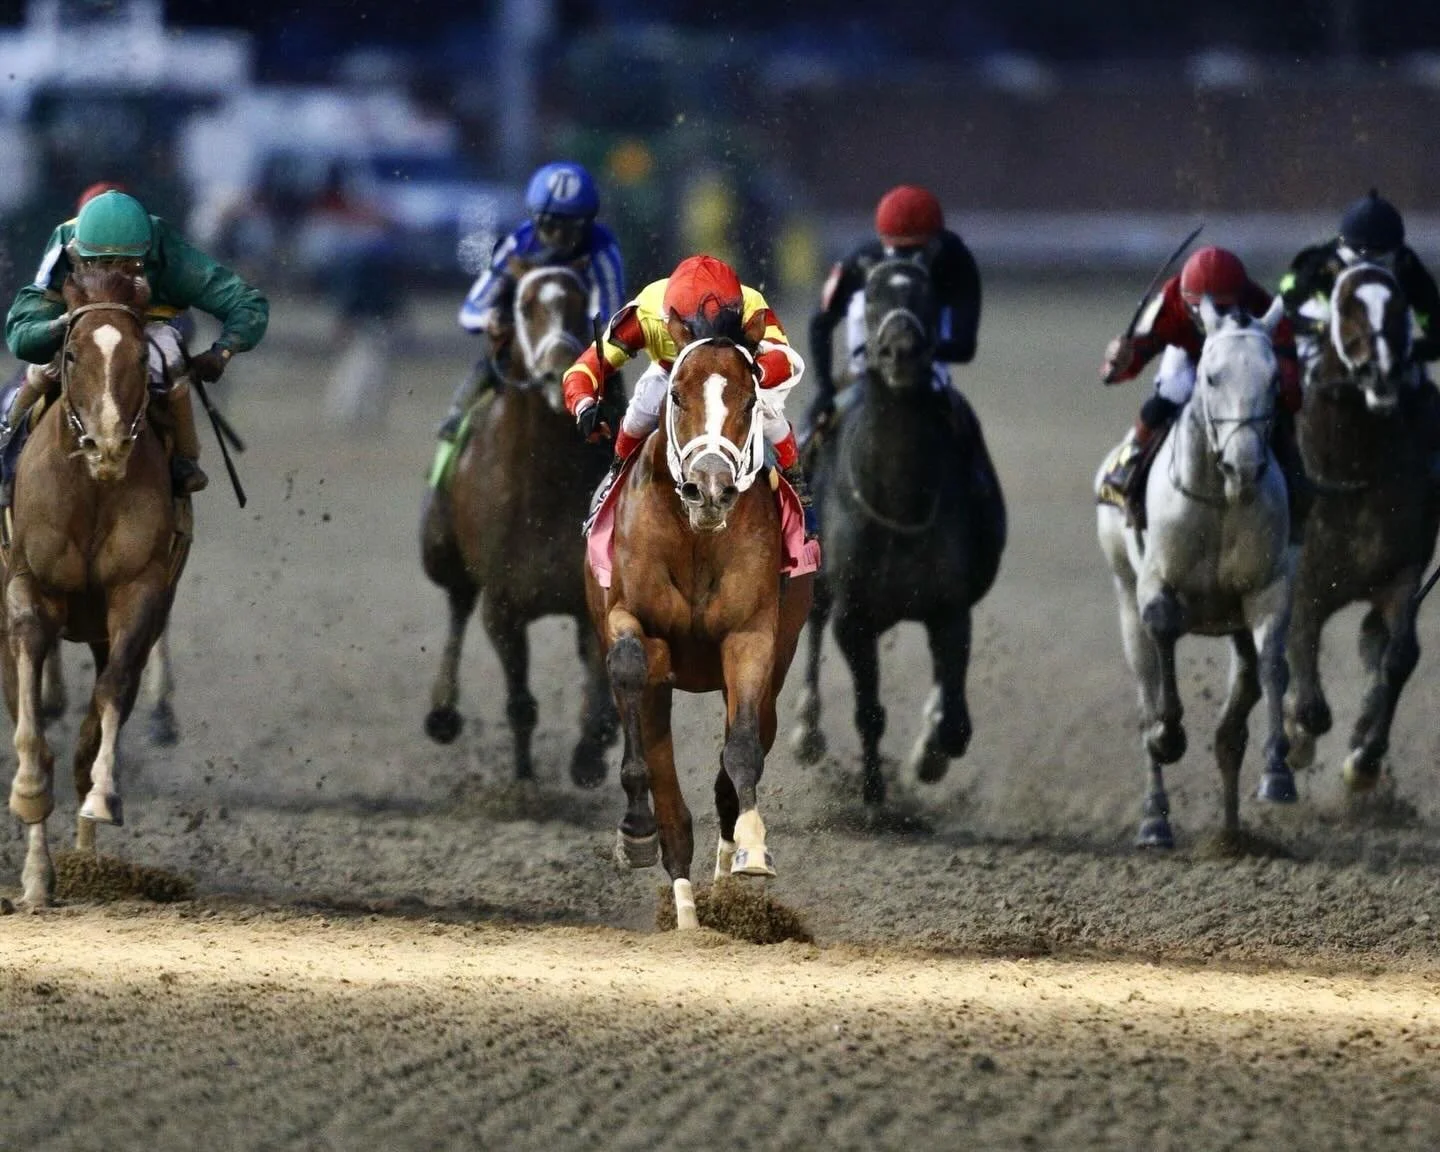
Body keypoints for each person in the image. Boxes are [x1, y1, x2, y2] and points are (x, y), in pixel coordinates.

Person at [3, 189, 267, 498]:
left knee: (167, 357)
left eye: (126, 264)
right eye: (100, 263)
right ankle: (6, 438)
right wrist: (57, 326)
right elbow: (21, 331)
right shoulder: (64, 242)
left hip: (145, 324)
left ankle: (185, 459)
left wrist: (222, 351)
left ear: (146, 252)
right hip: (79, 323)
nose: (112, 272)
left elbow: (246, 303)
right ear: (78, 251)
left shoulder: (167, 250)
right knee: (44, 368)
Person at [560, 253, 816, 537]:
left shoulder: (752, 304)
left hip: (732, 377)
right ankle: (616, 478)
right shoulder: (644, 312)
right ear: (674, 322)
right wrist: (583, 404)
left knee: (771, 419)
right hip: (672, 374)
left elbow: (785, 359)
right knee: (636, 417)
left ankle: (796, 485)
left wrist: (754, 373)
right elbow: (584, 367)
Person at [1099, 245, 1306, 530]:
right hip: (1189, 357)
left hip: (1238, 361)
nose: (1207, 316)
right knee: (1169, 394)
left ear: (1240, 298)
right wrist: (1117, 363)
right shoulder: (1170, 302)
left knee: (1270, 408)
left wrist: (1286, 391)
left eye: (1222, 309)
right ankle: (1128, 465)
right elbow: (1136, 354)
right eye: (1197, 309)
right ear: (1185, 299)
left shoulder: (1259, 303)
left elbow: (1285, 355)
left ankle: (1295, 477)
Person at [436, 160, 625, 446]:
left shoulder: (604, 250)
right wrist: (490, 319)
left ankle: (624, 442)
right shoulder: (517, 244)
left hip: (578, 339)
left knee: (611, 368)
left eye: (570, 229)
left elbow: (611, 320)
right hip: (524, 334)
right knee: (496, 353)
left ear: (587, 224)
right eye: (550, 227)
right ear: (536, 219)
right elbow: (471, 310)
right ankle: (457, 417)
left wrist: (572, 337)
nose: (559, 239)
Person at [1278, 189, 1440, 477]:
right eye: (1362, 258)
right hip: (1324, 345)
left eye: (1381, 259)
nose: (1370, 267)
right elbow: (1286, 304)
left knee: (1425, 394)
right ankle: (1281, 461)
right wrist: (1317, 328)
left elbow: (1435, 325)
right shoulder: (1319, 262)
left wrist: (1408, 350)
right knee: (1286, 389)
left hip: (1391, 350)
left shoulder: (1406, 266)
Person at [805, 184, 981, 434]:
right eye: (898, 251)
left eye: (918, 252)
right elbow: (820, 323)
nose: (907, 260)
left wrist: (920, 352)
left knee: (965, 429)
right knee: (813, 428)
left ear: (936, 244)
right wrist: (825, 390)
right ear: (883, 243)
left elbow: (965, 346)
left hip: (929, 368)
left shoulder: (956, 261)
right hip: (866, 366)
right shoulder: (859, 261)